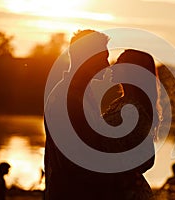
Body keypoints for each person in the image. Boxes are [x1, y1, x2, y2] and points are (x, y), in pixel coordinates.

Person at [44, 29, 113, 199]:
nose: (108, 64)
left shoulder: (83, 95)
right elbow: (77, 163)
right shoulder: (66, 99)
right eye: (103, 57)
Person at [102, 49, 162, 199]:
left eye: (120, 63)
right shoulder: (120, 102)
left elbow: (147, 158)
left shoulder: (133, 109)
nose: (113, 66)